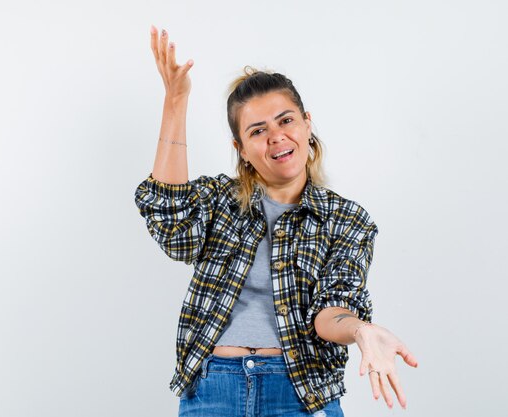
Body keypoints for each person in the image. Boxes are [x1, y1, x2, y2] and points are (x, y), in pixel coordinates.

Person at [134, 25, 418, 417]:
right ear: (242, 149)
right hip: (214, 390)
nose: (276, 137)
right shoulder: (219, 201)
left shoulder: (346, 219)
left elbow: (331, 310)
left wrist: (360, 330)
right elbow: (172, 222)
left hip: (300, 392)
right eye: (258, 130)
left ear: (306, 124)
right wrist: (175, 100)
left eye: (286, 121)